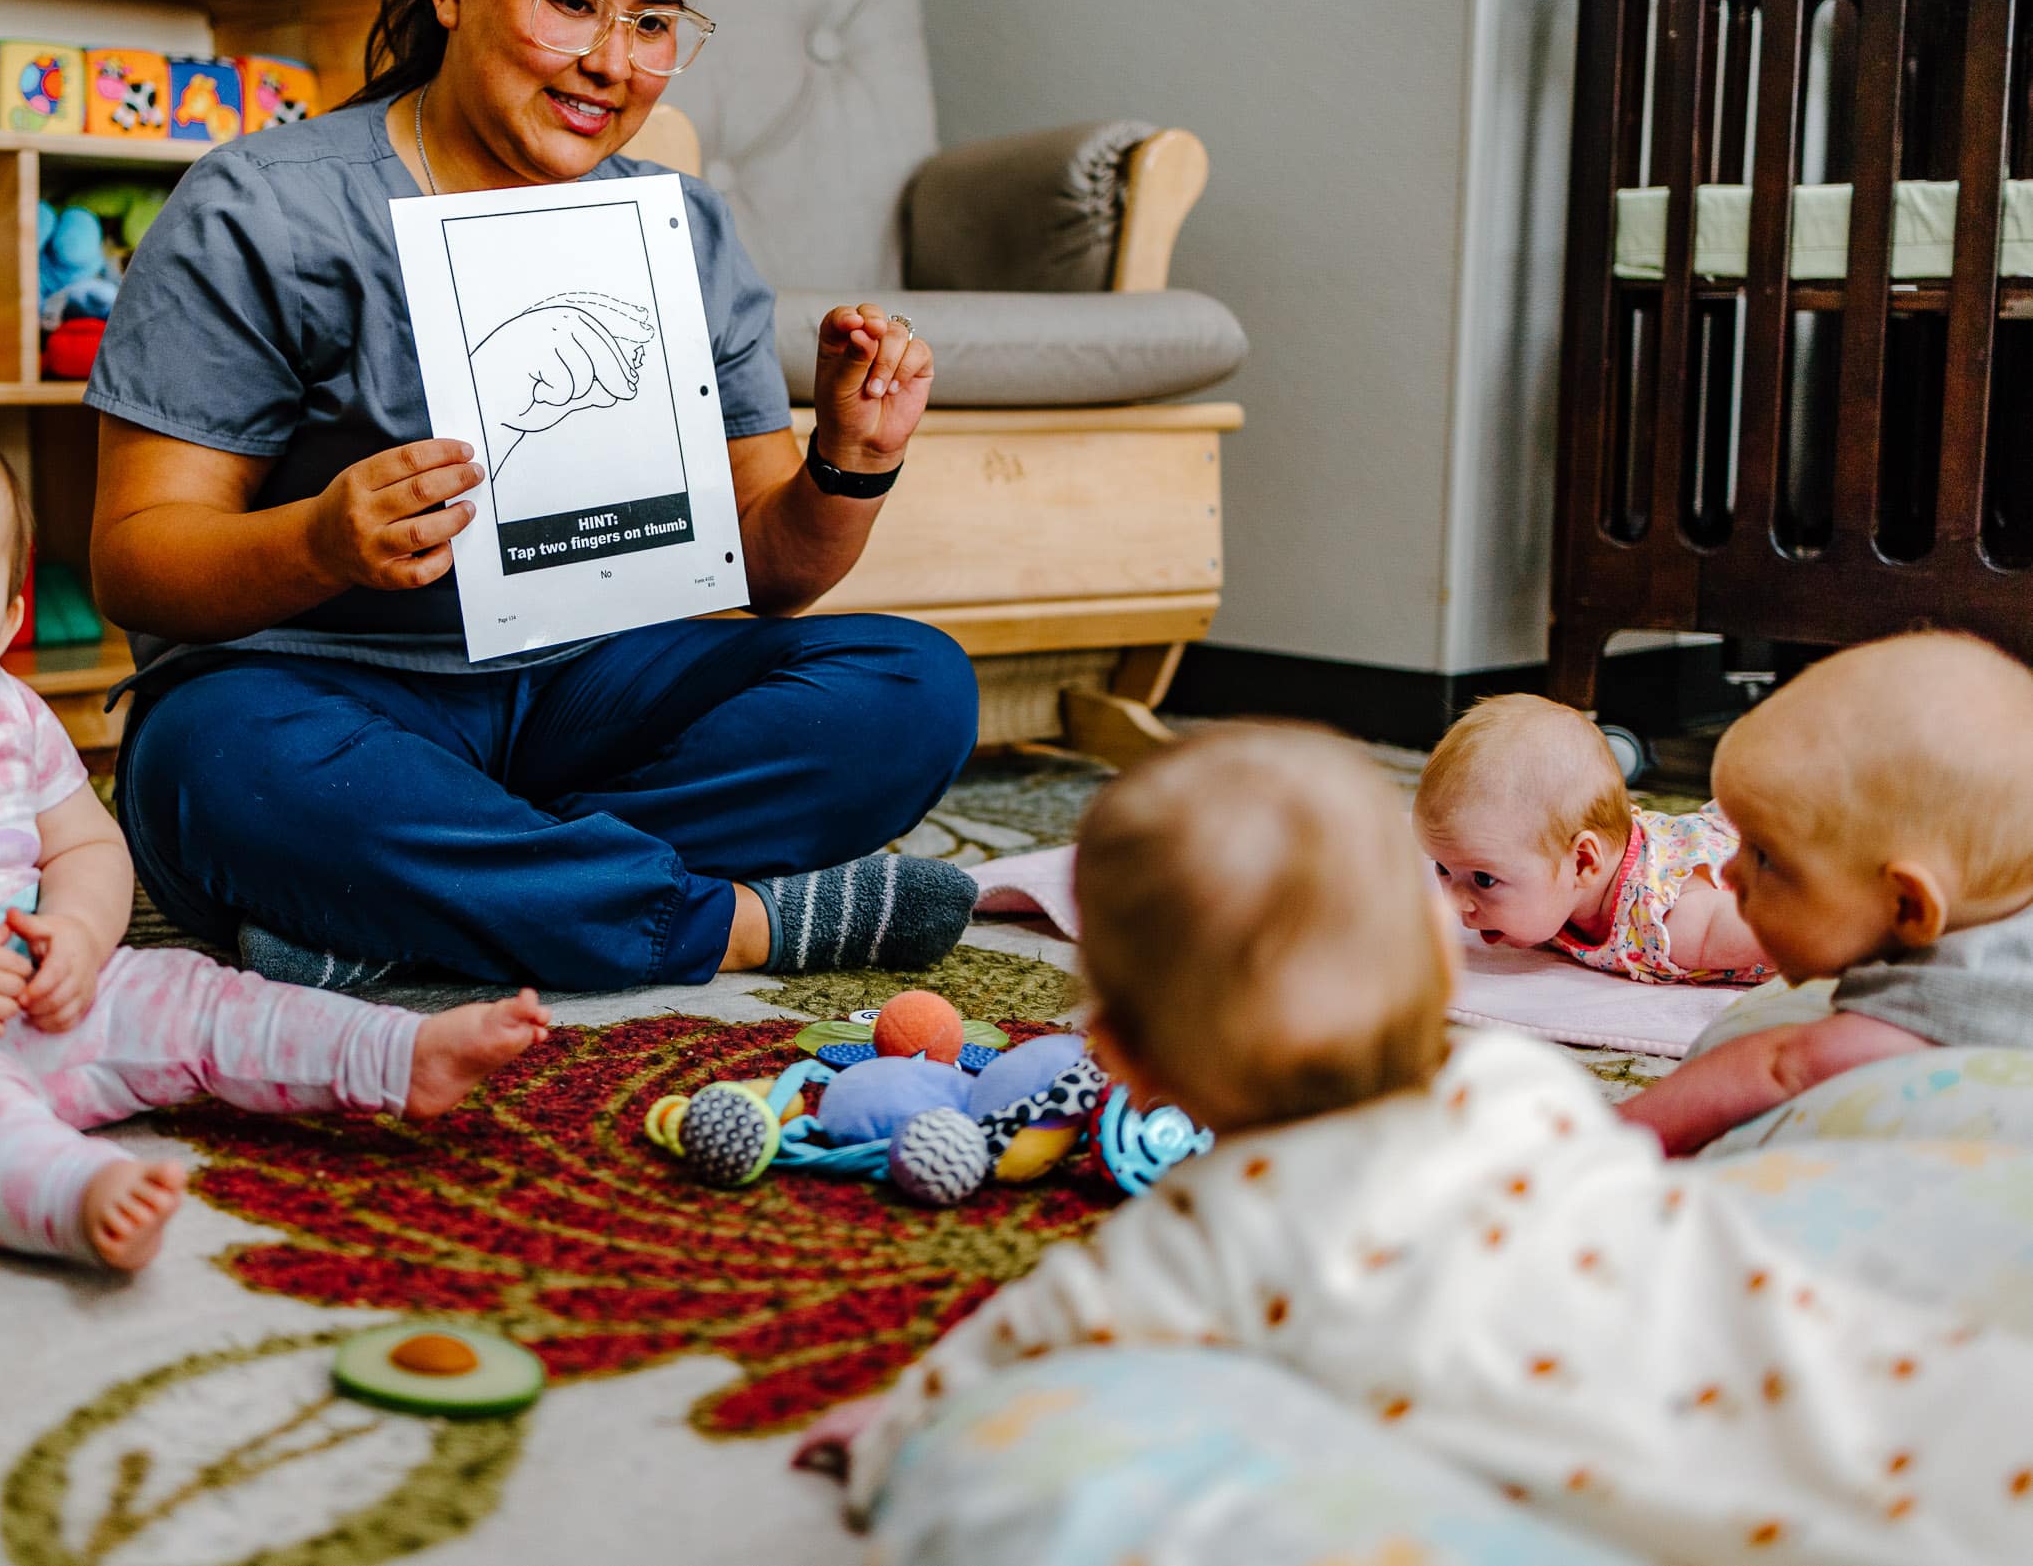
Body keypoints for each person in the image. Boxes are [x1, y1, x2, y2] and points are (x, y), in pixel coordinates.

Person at [90, 0, 981, 995]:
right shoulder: (262, 207)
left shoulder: (680, 224)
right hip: (318, 685)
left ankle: (420, 903)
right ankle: (725, 925)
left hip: (583, 687)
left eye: (653, 23)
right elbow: (136, 560)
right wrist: (318, 541)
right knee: (216, 765)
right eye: (569, 2)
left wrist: (848, 465)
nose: (613, 62)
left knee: (911, 690)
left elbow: (769, 568)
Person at [806, 722, 2033, 1562]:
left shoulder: (1203, 1228)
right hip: (1778, 1343)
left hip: (1646, 1439)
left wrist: (900, 1419)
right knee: (1912, 1417)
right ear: (1437, 958)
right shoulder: (1515, 1079)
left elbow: (1030, 1336)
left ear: (1115, 1056)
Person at [0, 391, 550, 1270]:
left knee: (192, 997)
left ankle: (391, 1055)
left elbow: (85, 845)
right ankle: (72, 1190)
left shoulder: (6, 714)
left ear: (7, 620)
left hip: (23, 998)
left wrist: (81, 940)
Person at [1619, 632, 2033, 1155]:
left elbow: (1784, 1067)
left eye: (1765, 857)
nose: (1727, 874)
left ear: (1907, 905)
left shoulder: (1963, 988)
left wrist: (1598, 1143)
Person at [1415, 693, 1771, 983]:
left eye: (1483, 879)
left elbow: (1787, 925)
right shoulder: (1553, 886)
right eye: (1443, 869)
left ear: (1583, 862)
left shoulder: (1669, 920)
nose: (1455, 902)